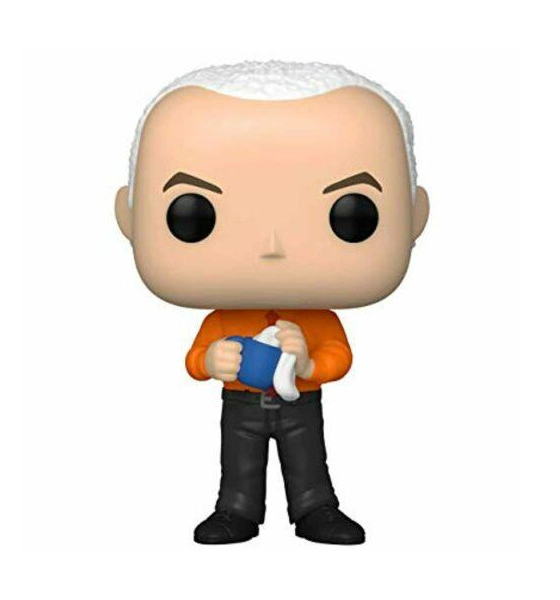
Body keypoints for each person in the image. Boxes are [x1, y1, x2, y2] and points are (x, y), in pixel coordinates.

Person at [115, 61, 429, 544]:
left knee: (308, 459)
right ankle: (236, 509)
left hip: (301, 401)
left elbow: (339, 357)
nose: (272, 246)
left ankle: (316, 507)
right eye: (193, 216)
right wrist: (211, 361)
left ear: (415, 217)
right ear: (129, 217)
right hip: (241, 403)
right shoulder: (223, 318)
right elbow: (195, 359)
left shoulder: (319, 319)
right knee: (238, 460)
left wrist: (308, 362)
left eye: (352, 216)